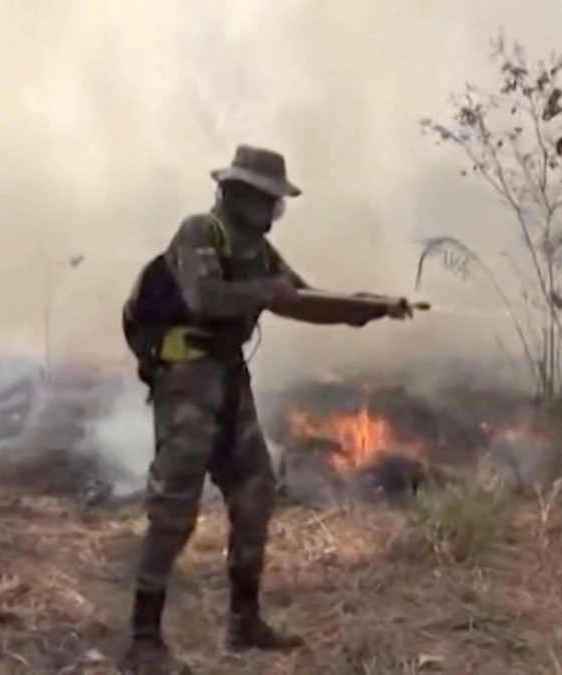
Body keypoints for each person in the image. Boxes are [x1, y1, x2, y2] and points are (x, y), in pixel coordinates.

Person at [120, 145, 412, 674]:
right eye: (267, 200)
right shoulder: (200, 232)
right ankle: (143, 640)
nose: (273, 211)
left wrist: (371, 307)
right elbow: (205, 297)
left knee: (255, 490)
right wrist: (266, 291)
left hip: (228, 377)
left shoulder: (259, 252)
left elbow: (301, 299)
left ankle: (244, 622)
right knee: (174, 508)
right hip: (186, 380)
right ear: (238, 194)